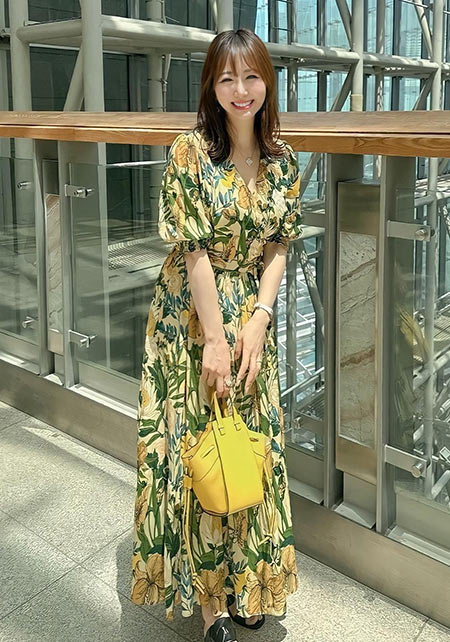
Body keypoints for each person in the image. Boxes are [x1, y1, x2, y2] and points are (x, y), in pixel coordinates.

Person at [130, 27, 302, 642]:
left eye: (251, 76)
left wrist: (259, 318)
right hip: (190, 318)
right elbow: (195, 251)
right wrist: (214, 339)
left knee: (248, 450)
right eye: (227, 78)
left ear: (266, 82)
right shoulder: (191, 152)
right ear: (212, 85)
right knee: (198, 448)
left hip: (251, 317)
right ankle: (207, 602)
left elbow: (279, 244)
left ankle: (246, 584)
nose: (240, 90)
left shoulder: (282, 159)